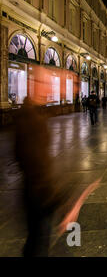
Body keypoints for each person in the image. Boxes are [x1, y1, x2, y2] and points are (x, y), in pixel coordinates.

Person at [14, 97, 72, 256]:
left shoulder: (27, 118)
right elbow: (36, 162)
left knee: (36, 239)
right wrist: (53, 196)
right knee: (38, 240)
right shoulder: (32, 121)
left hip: (36, 191)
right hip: (39, 193)